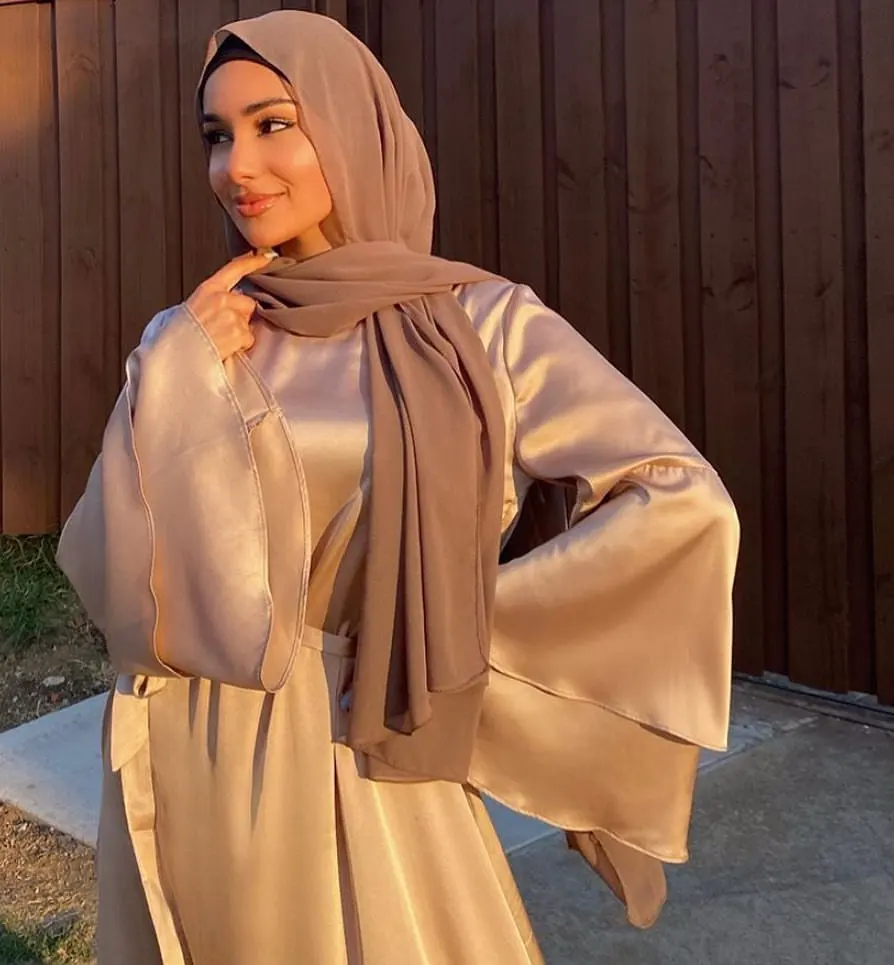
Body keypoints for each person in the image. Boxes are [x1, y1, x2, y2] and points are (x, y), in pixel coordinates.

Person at [57, 10, 739, 964]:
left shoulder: (480, 326)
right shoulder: (199, 331)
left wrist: (453, 635)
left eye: (274, 124)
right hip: (184, 740)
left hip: (360, 740)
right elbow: (108, 576)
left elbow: (678, 496)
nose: (237, 167)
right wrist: (168, 376)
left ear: (351, 127)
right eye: (217, 135)